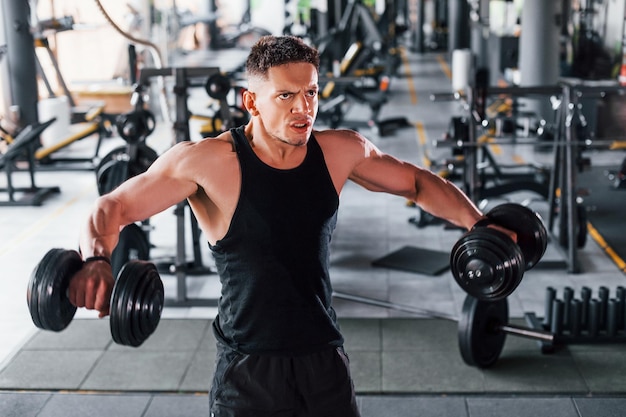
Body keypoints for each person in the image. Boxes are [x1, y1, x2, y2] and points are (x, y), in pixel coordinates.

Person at [68, 35, 505, 416]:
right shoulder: (208, 163)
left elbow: (416, 183)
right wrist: (97, 260)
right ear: (251, 101)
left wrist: (480, 226)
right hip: (248, 370)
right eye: (286, 96)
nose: (304, 108)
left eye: (312, 93)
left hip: (324, 359)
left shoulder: (338, 152)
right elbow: (115, 205)